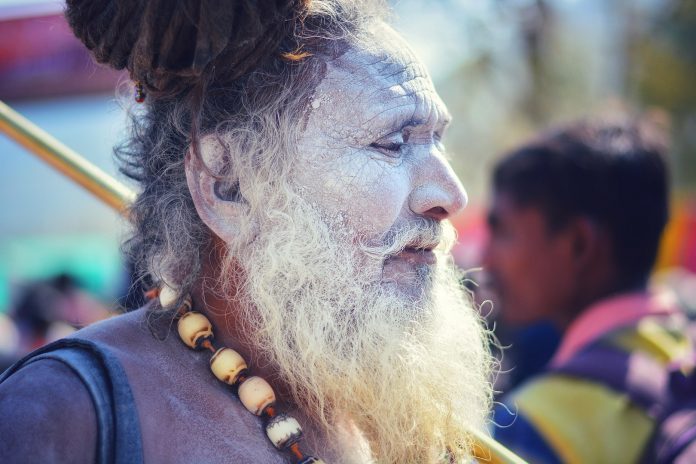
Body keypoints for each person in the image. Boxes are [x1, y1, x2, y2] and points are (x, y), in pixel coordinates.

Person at [0, 1, 495, 463]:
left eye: (437, 142)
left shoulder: (390, 414)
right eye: (391, 144)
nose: (451, 195)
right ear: (229, 184)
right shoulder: (62, 412)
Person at [483, 116, 694, 463]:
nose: (486, 260)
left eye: (503, 232)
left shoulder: (533, 425)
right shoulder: (680, 346)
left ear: (580, 245)